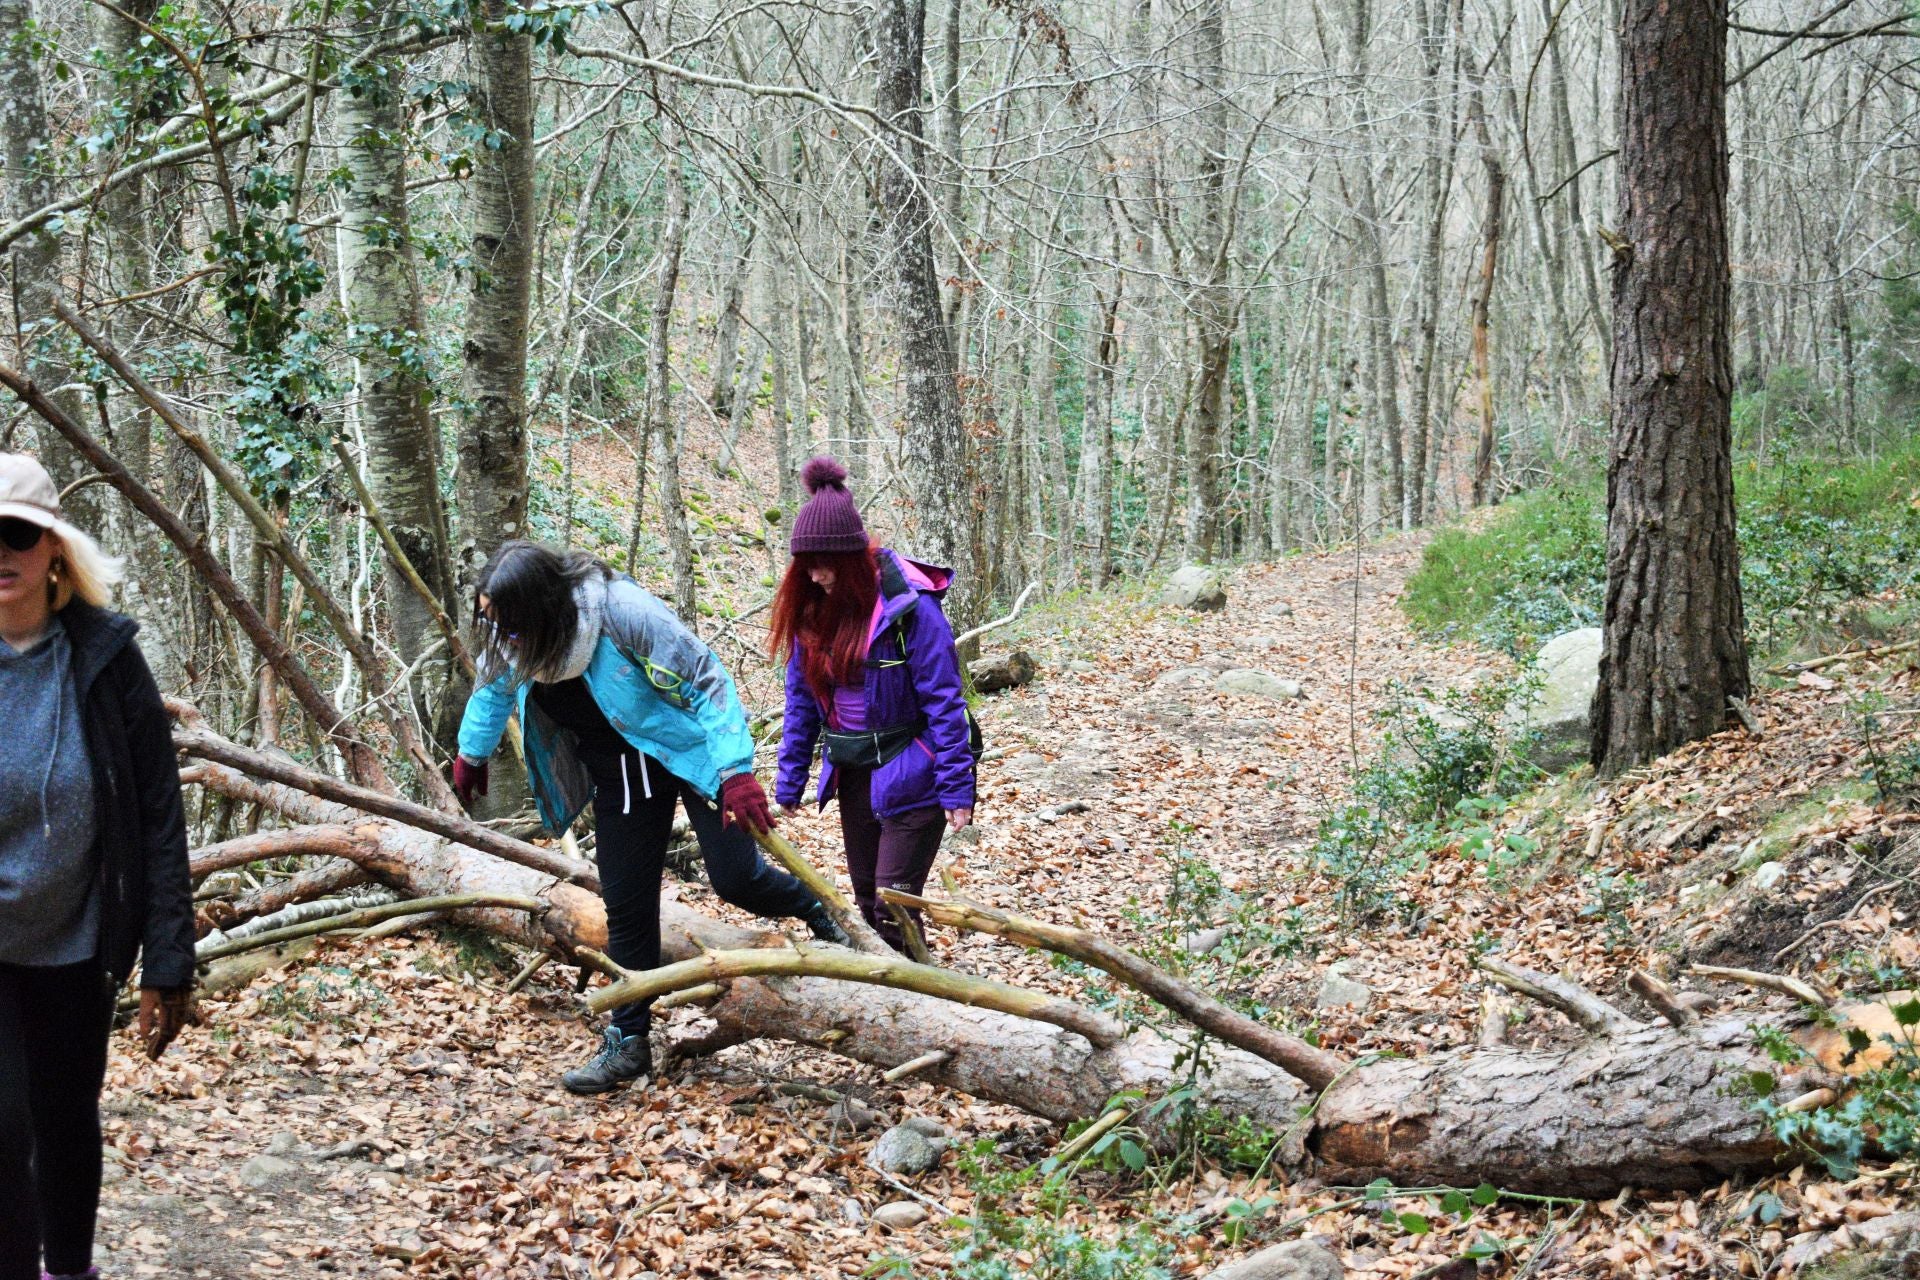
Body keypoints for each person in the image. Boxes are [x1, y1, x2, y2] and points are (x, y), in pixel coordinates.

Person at [452, 540, 849, 1095]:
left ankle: (818, 910)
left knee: (737, 879)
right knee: (627, 904)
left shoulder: (622, 614)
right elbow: (493, 684)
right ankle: (629, 1039)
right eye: (496, 623)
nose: (504, 635)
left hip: (690, 755)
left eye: (510, 624)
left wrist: (736, 771)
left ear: (543, 608)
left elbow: (708, 679)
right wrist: (471, 753)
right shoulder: (516, 634)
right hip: (620, 771)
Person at [0, 453, 196, 1280]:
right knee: (3, 1125)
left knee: (66, 1118)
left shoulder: (107, 659)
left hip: (79, 943)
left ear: (54, 550)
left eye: (15, 533)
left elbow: (157, 812)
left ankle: (69, 1268)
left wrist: (169, 958)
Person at [770, 457, 975, 954]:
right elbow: (800, 703)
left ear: (854, 558)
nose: (817, 576)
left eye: (827, 564)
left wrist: (956, 788)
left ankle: (920, 1002)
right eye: (807, 565)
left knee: (892, 903)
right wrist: (789, 781)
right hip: (854, 766)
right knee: (865, 902)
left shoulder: (911, 610)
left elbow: (945, 702)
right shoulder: (811, 614)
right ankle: (899, 1002)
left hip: (916, 764)